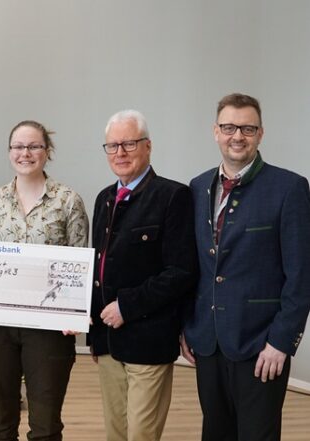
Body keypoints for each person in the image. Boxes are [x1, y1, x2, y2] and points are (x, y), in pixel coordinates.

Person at [181, 93, 310, 441]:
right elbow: (194, 266)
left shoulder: (289, 188)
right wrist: (188, 326)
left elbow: (301, 276)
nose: (237, 136)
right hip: (208, 342)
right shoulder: (197, 187)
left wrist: (281, 342)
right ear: (216, 132)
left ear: (260, 134)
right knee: (215, 433)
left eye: (247, 128)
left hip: (261, 346)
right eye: (229, 127)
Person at [0, 120, 89, 440]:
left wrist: (73, 312)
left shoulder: (68, 200)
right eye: (19, 147)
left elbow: (78, 263)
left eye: (34, 146)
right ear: (9, 151)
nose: (26, 153)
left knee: (46, 425)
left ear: (47, 151)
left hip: (49, 327)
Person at [90, 110, 198, 441]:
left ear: (148, 146)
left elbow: (181, 272)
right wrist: (91, 328)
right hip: (107, 341)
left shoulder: (173, 196)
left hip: (148, 340)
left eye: (129, 144)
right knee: (116, 433)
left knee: (140, 435)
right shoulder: (104, 198)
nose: (120, 152)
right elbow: (98, 268)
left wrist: (127, 306)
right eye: (112, 146)